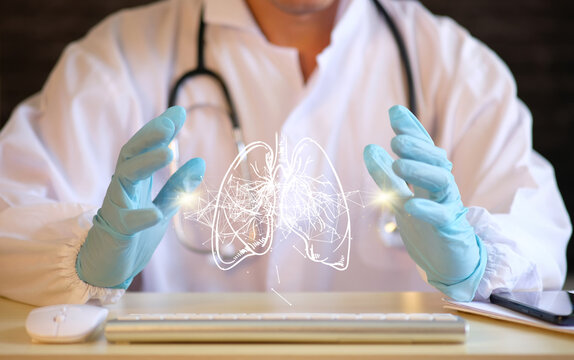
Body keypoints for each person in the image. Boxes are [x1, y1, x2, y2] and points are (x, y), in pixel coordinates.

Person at [0, 0, 570, 307]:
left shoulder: (452, 66)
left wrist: (475, 262)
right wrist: (82, 257)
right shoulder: (117, 58)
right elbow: (9, 215)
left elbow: (535, 232)